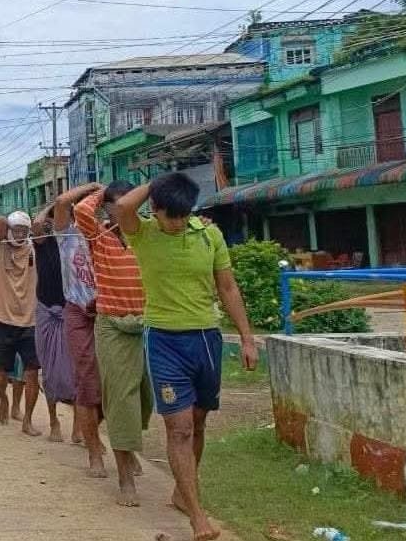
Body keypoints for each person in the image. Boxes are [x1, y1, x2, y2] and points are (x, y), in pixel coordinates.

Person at [113, 172, 257, 540]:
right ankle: (197, 517)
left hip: (206, 337)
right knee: (179, 428)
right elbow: (124, 205)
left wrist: (246, 337)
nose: (176, 223)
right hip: (163, 339)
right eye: (169, 215)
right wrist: (162, 182)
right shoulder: (142, 234)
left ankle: (182, 492)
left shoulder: (209, 234)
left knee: (199, 421)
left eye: (182, 215)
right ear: (155, 210)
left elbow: (227, 285)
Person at [69, 181, 147, 493]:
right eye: (118, 205)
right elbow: (79, 209)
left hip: (146, 324)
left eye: (131, 204)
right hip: (112, 324)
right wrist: (101, 192)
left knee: (144, 399)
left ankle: (129, 449)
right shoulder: (98, 235)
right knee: (120, 399)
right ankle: (124, 475)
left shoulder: (147, 233)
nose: (125, 210)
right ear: (107, 207)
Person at [0, 211, 42, 435]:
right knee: (0, 376)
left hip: (30, 321)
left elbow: (38, 229)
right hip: (2, 320)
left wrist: (29, 227)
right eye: (15, 230)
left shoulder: (34, 249)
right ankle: (3, 399)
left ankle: (28, 419)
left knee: (32, 372)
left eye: (23, 231)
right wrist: (9, 226)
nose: (19, 234)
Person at [31, 204, 76, 442]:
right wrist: (52, 206)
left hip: (72, 309)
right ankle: (53, 421)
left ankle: (79, 425)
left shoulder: (75, 240)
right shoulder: (44, 242)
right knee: (48, 367)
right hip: (46, 309)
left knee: (78, 369)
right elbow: (36, 226)